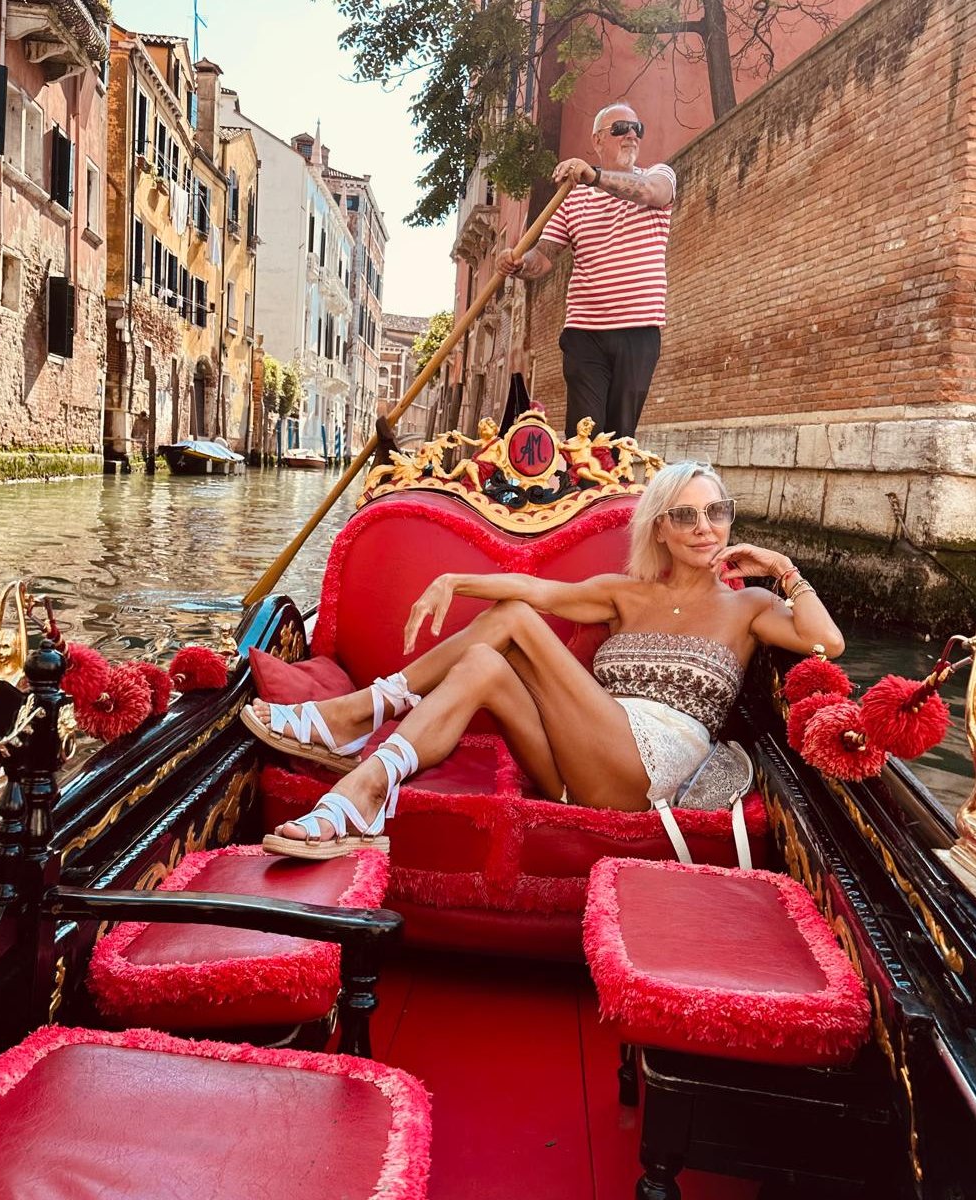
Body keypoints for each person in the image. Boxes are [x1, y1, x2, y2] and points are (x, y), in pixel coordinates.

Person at [243, 461, 845, 859]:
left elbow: (828, 644)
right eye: (684, 515)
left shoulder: (751, 608)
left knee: (512, 623)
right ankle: (369, 785)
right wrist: (456, 577)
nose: (703, 527)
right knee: (485, 662)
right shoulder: (624, 594)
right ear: (660, 529)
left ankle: (360, 713)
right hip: (575, 767)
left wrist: (784, 570)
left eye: (716, 512)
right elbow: (535, 591)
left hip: (652, 771)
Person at [494, 102, 675, 439]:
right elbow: (545, 256)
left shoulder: (659, 177)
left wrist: (594, 176)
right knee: (583, 438)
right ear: (597, 140)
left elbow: (653, 193)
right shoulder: (573, 199)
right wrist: (519, 264)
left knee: (621, 440)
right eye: (620, 128)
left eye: (638, 129)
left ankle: (613, 490)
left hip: (638, 331)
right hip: (585, 333)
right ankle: (584, 490)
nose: (631, 135)